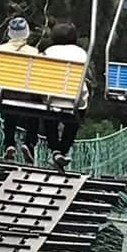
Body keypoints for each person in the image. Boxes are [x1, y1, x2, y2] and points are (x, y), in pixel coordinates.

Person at [40, 21, 91, 169]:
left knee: (50, 117)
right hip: (74, 100)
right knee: (74, 120)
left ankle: (55, 149)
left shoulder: (49, 51)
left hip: (51, 98)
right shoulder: (81, 53)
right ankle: (62, 150)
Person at [0, 16, 40, 161]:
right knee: (35, 112)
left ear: (9, 33)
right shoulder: (33, 52)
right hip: (27, 95)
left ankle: (9, 144)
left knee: (10, 113)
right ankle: (29, 143)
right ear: (26, 33)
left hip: (5, 93)